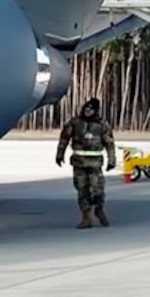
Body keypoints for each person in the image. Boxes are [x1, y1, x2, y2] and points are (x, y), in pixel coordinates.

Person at [55, 97, 117, 228]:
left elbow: (109, 143)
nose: (87, 111)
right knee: (82, 190)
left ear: (95, 111)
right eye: (86, 108)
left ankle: (99, 209)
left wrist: (112, 160)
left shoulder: (102, 125)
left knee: (98, 189)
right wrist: (60, 154)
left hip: (95, 164)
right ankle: (86, 217)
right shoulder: (75, 123)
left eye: (90, 109)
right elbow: (64, 138)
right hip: (79, 164)